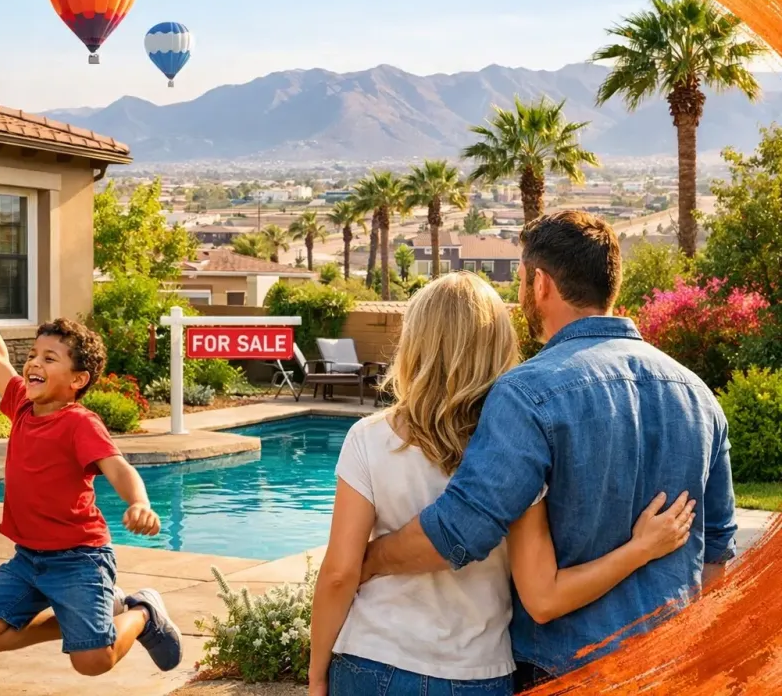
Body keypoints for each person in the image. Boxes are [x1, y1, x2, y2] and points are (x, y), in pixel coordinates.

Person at [356, 211, 738, 692]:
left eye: (519, 280)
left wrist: (367, 562)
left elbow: (461, 527)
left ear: (540, 284)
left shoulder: (527, 392)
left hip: (565, 669)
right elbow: (718, 551)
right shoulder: (699, 395)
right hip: (670, 666)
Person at [308, 272, 696, 696]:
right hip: (477, 673)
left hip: (372, 659)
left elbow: (340, 574)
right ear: (498, 346)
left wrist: (316, 675)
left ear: (414, 341)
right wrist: (639, 549)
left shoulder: (368, 438)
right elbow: (543, 596)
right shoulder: (518, 447)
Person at [0, 282, 184, 677]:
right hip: (27, 558)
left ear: (78, 380)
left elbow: (119, 467)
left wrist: (140, 503)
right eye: (32, 356)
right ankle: (85, 625)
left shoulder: (79, 423)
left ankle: (143, 611)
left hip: (80, 559)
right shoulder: (23, 406)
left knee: (92, 662)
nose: (33, 364)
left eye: (49, 358)